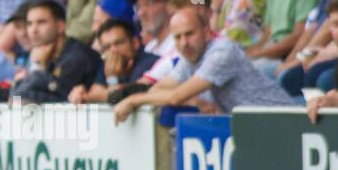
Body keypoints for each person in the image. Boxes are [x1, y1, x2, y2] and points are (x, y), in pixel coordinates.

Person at [113, 7, 294, 124]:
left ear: (207, 33)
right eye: (177, 37)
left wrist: (132, 100)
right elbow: (156, 89)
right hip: (256, 125)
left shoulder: (222, 52)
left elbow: (175, 97)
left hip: (284, 121)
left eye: (189, 34)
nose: (184, 43)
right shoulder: (190, 57)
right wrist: (194, 100)